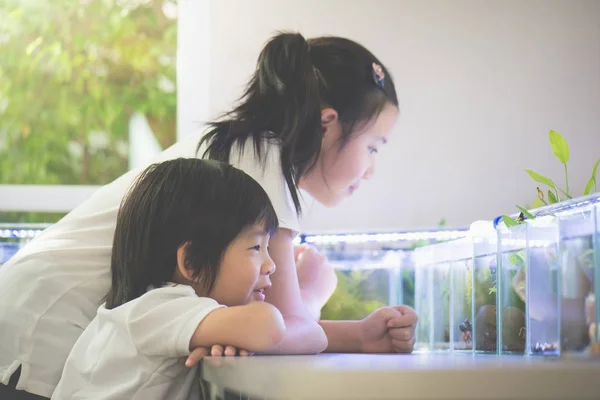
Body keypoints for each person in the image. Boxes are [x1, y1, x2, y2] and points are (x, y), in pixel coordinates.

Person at [0, 31, 417, 399]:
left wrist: (358, 334)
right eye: (374, 147)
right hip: (45, 325)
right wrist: (312, 294)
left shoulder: (250, 148)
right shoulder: (263, 159)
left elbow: (274, 329)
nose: (371, 169)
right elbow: (284, 326)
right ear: (329, 124)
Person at [51, 158, 285, 399]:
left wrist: (233, 333)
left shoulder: (149, 312)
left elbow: (300, 334)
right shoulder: (159, 307)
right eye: (256, 247)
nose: (271, 265)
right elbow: (270, 326)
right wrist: (243, 330)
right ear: (192, 263)